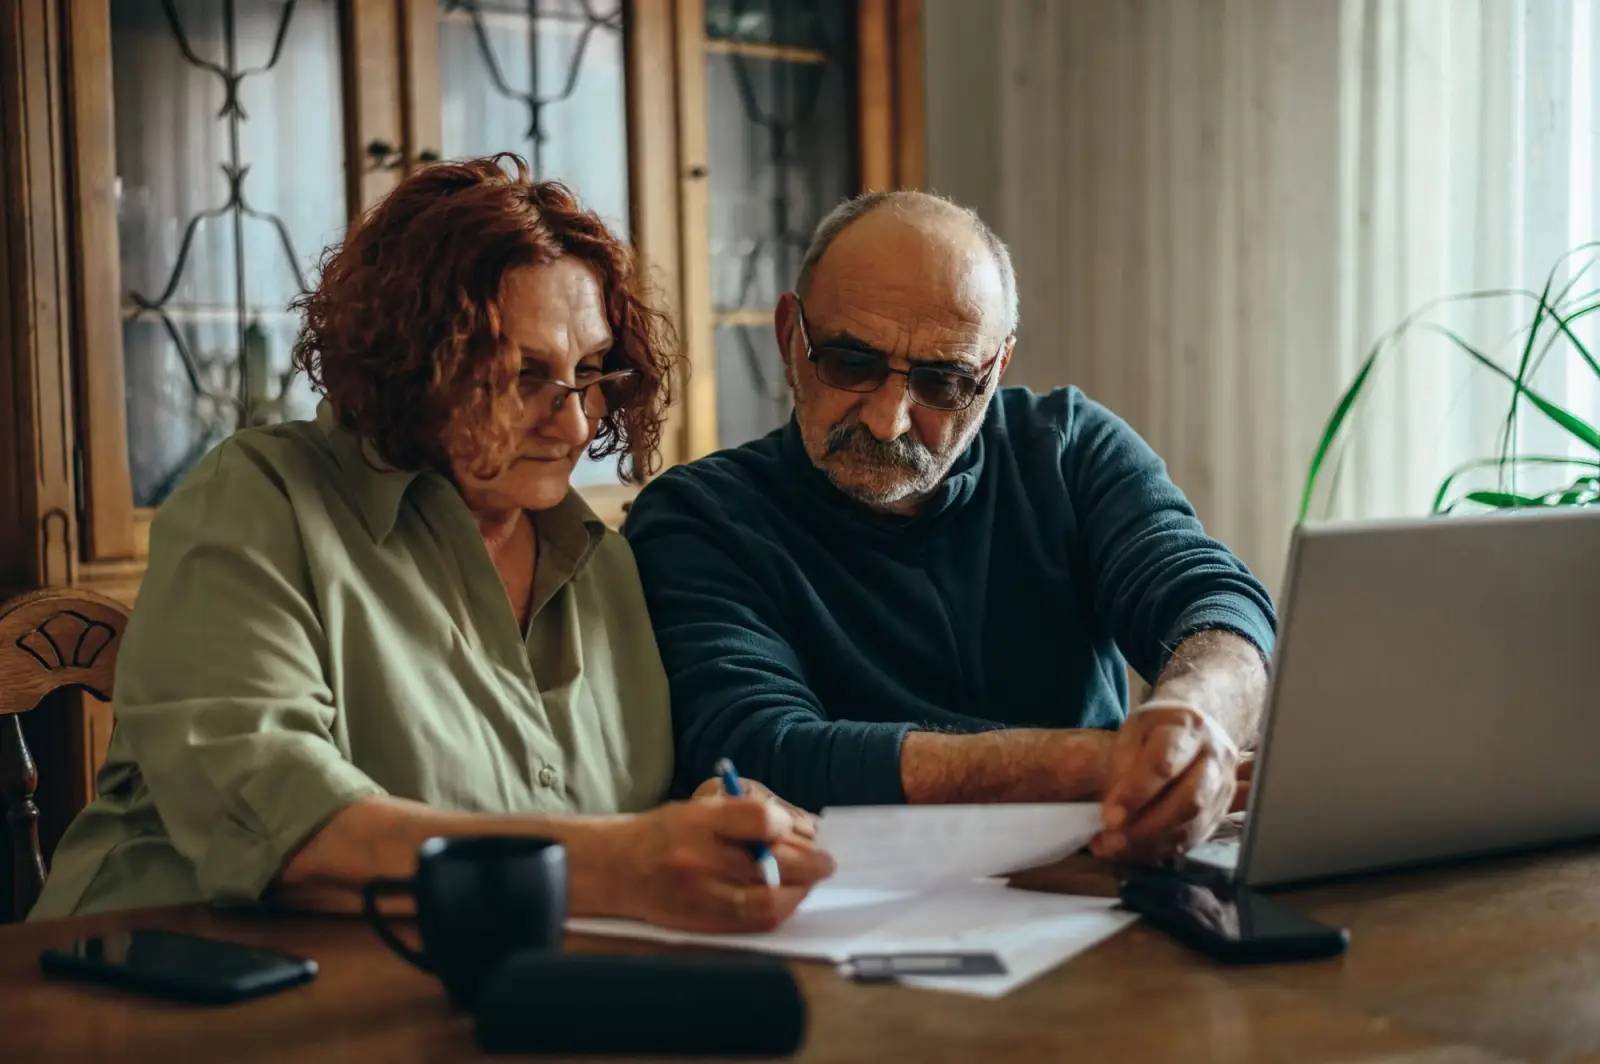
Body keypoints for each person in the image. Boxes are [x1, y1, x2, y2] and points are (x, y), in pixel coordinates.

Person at [29, 155, 831, 931]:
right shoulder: (255, 502)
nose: (575, 422)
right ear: (411, 362)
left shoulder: (604, 561)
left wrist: (698, 820)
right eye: (524, 375)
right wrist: (627, 859)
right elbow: (289, 832)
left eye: (591, 371)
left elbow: (606, 819)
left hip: (450, 987)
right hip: (146, 981)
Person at [622, 190, 1277, 866]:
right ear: (791, 337)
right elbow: (761, 746)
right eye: (851, 362)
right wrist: (1094, 764)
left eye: (944, 382)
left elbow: (1214, 600)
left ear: (996, 369)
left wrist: (1196, 717)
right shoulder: (700, 517)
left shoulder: (1069, 449)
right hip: (857, 898)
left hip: (1100, 878)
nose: (889, 421)